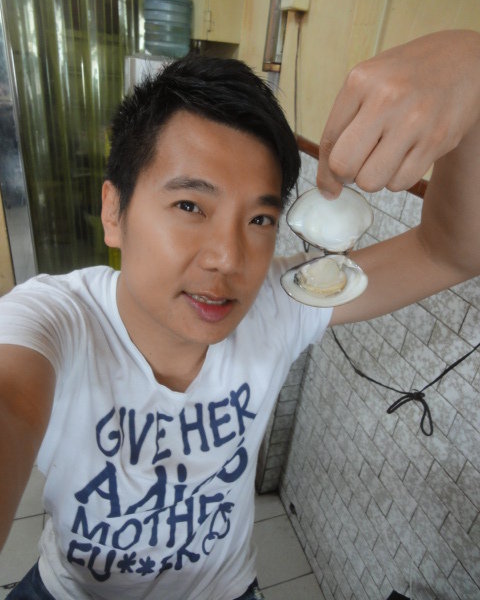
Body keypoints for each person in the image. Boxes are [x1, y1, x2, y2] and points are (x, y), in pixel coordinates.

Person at [1, 29, 480, 600]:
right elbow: (12, 398)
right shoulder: (54, 318)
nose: (228, 259)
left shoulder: (278, 304)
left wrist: (473, 64)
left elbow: (450, 251)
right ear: (114, 210)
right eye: (189, 205)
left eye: (259, 220)